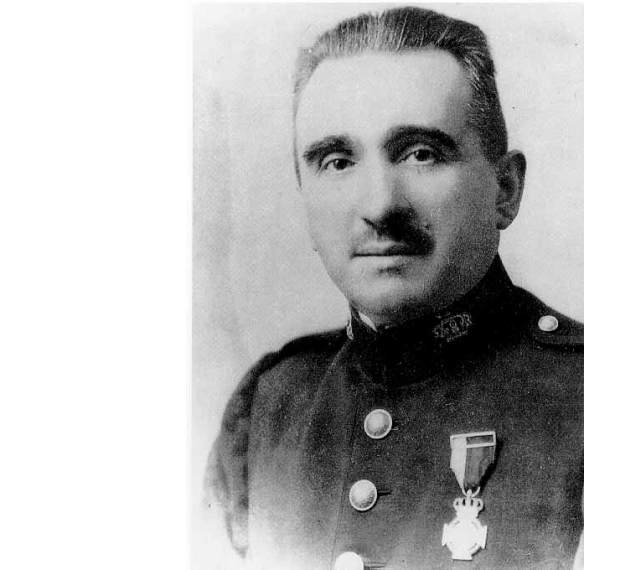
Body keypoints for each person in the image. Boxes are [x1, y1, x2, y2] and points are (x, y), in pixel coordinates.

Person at [205, 6, 583, 569]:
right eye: (337, 162)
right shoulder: (268, 409)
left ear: (505, 190)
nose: (380, 206)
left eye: (421, 154)